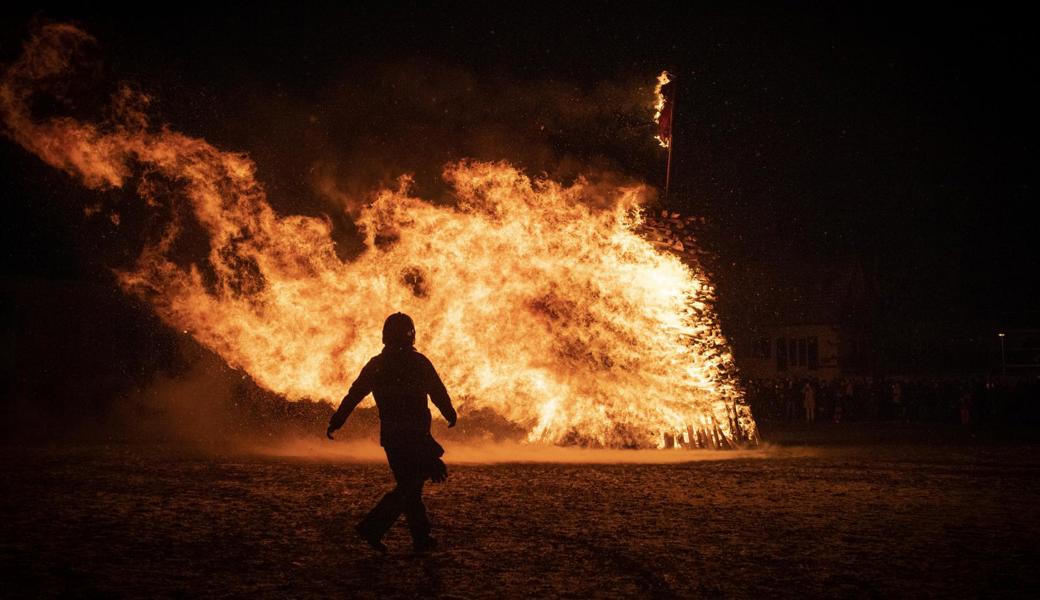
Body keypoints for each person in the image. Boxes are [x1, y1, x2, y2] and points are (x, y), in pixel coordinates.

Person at [326, 312, 458, 553]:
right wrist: (449, 413)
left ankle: (420, 537)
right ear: (411, 336)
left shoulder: (377, 365)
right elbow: (437, 391)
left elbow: (354, 394)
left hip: (393, 438)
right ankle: (374, 527)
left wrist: (338, 419)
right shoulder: (419, 363)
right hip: (416, 436)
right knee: (410, 485)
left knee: (410, 485)